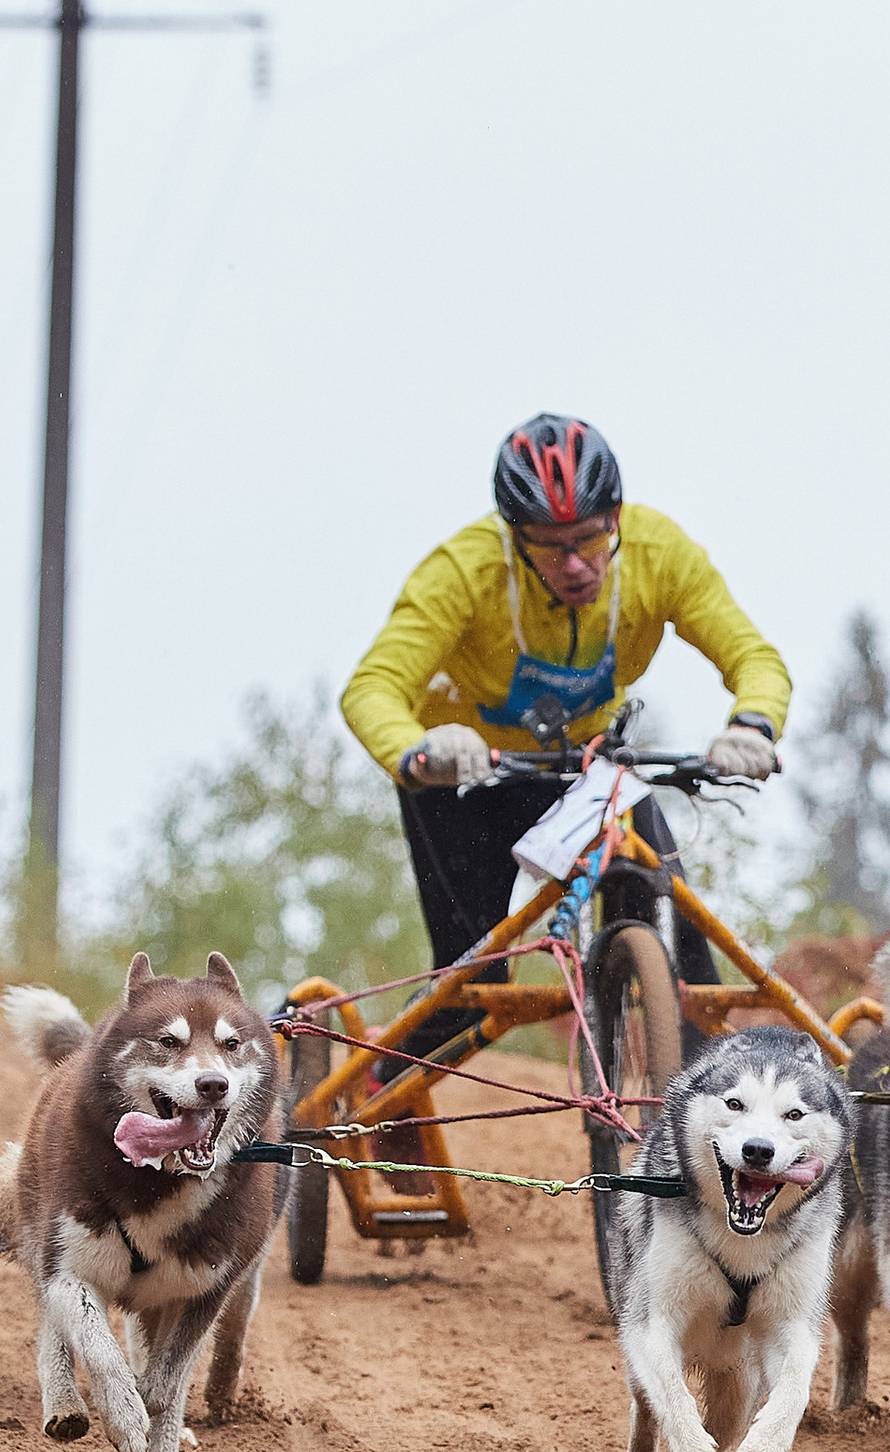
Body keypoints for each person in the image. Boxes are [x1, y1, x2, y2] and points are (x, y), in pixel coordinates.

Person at [339, 413, 791, 1053]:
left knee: (685, 949)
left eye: (590, 539)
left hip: (586, 771)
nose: (576, 565)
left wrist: (752, 723)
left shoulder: (660, 553)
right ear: (515, 536)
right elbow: (372, 687)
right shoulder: (463, 570)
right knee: (473, 985)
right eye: (551, 548)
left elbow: (754, 658)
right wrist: (418, 751)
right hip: (465, 778)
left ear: (617, 517)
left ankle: (699, 1100)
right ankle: (383, 1074)